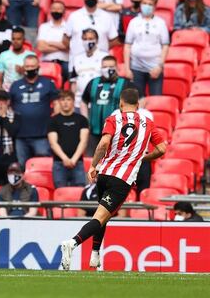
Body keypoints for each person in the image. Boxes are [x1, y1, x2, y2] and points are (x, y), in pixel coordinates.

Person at [60, 88, 167, 271]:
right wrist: (142, 157)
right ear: (138, 105)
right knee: (100, 217)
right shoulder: (148, 123)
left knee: (103, 216)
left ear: (120, 104)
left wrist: (93, 165)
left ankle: (95, 255)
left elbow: (103, 143)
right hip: (121, 180)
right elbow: (162, 149)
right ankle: (72, 243)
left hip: (104, 175)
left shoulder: (112, 119)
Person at [9, 55, 60, 168]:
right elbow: (9, 107)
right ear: (23, 67)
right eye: (27, 66)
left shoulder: (48, 83)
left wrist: (53, 124)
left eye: (32, 66)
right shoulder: (16, 85)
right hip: (20, 136)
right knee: (21, 167)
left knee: (42, 167)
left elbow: (57, 104)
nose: (30, 68)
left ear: (38, 67)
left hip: (42, 135)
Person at [81, 55, 135, 154]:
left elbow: (139, 101)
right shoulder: (93, 83)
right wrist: (85, 119)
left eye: (111, 67)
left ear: (116, 67)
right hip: (94, 131)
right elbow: (84, 101)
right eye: (105, 67)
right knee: (92, 161)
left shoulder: (125, 83)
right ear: (101, 68)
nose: (108, 69)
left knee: (113, 161)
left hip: (116, 132)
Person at [123, 0, 170, 97]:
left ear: (155, 6)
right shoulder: (133, 22)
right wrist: (127, 68)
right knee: (136, 101)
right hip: (136, 68)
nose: (146, 6)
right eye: (144, 3)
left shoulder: (160, 23)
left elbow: (165, 46)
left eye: (150, 4)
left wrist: (159, 66)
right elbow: (127, 45)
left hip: (155, 68)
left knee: (156, 101)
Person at [63, 0, 120, 65]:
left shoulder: (107, 17)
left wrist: (101, 48)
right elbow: (65, 39)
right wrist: (76, 48)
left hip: (100, 63)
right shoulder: (74, 16)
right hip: (77, 63)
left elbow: (114, 40)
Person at [48, 91, 89, 188]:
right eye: (62, 100)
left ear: (73, 101)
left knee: (79, 194)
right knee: (60, 193)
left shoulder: (82, 120)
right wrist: (65, 159)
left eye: (68, 99)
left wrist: (74, 159)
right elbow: (53, 143)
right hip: (59, 163)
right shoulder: (53, 121)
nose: (65, 102)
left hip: (77, 162)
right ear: (59, 102)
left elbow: (83, 142)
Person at [38, 1, 69, 88]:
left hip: (65, 62)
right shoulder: (44, 27)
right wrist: (61, 46)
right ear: (50, 10)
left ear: (64, 11)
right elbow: (41, 47)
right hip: (47, 61)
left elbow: (68, 47)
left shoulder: (68, 27)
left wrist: (49, 43)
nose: (56, 11)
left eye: (59, 9)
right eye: (54, 8)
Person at [71, 28, 107, 103]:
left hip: (98, 100)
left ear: (96, 40)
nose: (88, 41)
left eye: (91, 38)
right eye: (85, 39)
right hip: (79, 101)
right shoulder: (76, 59)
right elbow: (74, 82)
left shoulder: (105, 57)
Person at [0, 27, 36, 91]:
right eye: (13, 39)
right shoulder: (3, 55)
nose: (15, 41)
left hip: (26, 91)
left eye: (18, 39)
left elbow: (37, 77)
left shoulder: (31, 55)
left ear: (24, 40)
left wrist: (25, 72)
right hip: (8, 92)